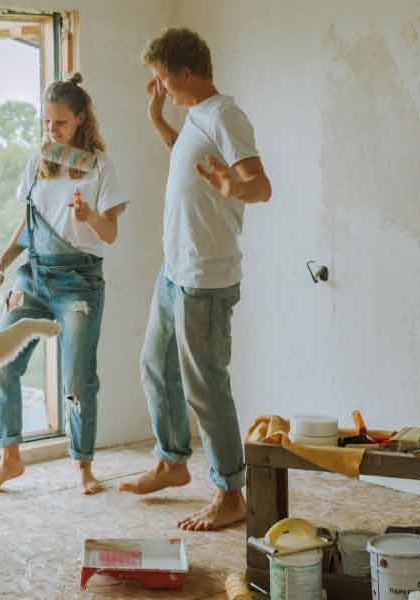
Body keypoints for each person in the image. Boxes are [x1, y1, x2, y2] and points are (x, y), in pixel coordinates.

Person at [118, 28, 272, 531]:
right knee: (156, 368)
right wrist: (156, 118)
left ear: (186, 73)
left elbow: (260, 186)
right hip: (175, 271)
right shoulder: (194, 118)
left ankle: (230, 493)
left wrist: (233, 185)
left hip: (205, 278)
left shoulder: (226, 115)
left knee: (206, 387)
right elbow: (184, 156)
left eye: (161, 80)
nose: (159, 87)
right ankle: (172, 462)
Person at [0, 73, 127, 496]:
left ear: (80, 119)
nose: (51, 130)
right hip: (34, 276)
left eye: (60, 123)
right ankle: (9, 459)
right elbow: (29, 225)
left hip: (79, 283)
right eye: (46, 122)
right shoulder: (37, 165)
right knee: (1, 360)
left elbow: (111, 233)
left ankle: (83, 466)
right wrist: (4, 262)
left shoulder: (99, 167)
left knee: (78, 380)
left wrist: (89, 217)